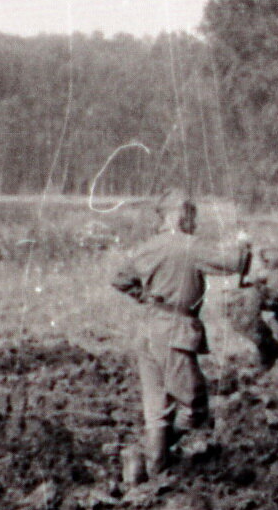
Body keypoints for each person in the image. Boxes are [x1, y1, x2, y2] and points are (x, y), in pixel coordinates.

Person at [108, 190, 252, 485]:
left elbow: (119, 279)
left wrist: (146, 297)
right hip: (175, 331)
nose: (194, 222)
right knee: (194, 404)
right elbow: (233, 262)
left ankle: (150, 475)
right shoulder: (189, 246)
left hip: (149, 328)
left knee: (157, 410)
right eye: (191, 214)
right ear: (179, 214)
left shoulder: (148, 247)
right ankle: (144, 456)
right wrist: (242, 243)